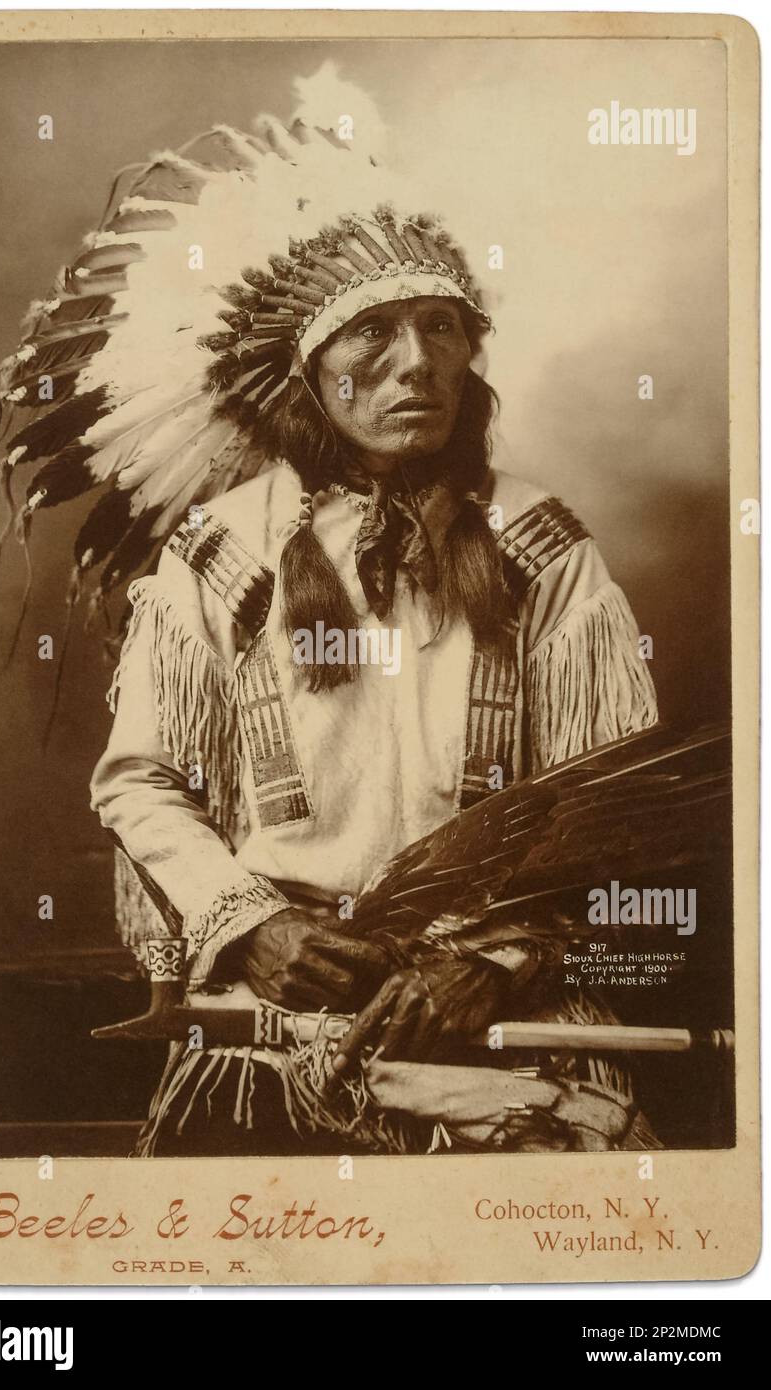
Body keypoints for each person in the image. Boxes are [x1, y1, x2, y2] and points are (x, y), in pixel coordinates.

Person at [88, 204, 659, 1155]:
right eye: (374, 331)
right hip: (281, 1016)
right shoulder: (222, 550)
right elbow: (141, 782)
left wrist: (493, 958)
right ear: (309, 372)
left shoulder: (539, 545)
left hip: (501, 1009)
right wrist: (257, 929)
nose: (416, 362)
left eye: (442, 327)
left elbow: (608, 801)